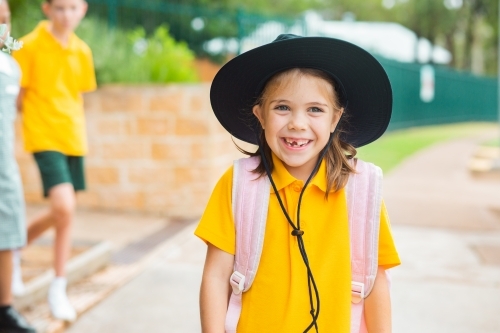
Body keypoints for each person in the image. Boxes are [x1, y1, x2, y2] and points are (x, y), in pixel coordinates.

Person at [195, 34, 401, 332]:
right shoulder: (239, 185)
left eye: (315, 109)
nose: (297, 123)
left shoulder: (362, 191)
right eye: (282, 108)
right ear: (260, 115)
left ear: (335, 119)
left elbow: (375, 281)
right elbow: (215, 277)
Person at [12, 0, 96, 322]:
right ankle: (17, 250)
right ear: (46, 8)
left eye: (72, 7)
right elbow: (19, 97)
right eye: (59, 7)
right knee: (64, 207)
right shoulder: (29, 46)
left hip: (73, 138)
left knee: (66, 214)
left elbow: (77, 96)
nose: (66, 14)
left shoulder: (82, 51)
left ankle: (56, 285)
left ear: (83, 9)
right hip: (43, 137)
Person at [0, 0, 37, 332]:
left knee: (9, 231)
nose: (2, 26)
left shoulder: (12, 67)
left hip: (4, 167)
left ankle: (4, 308)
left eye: (4, 19)